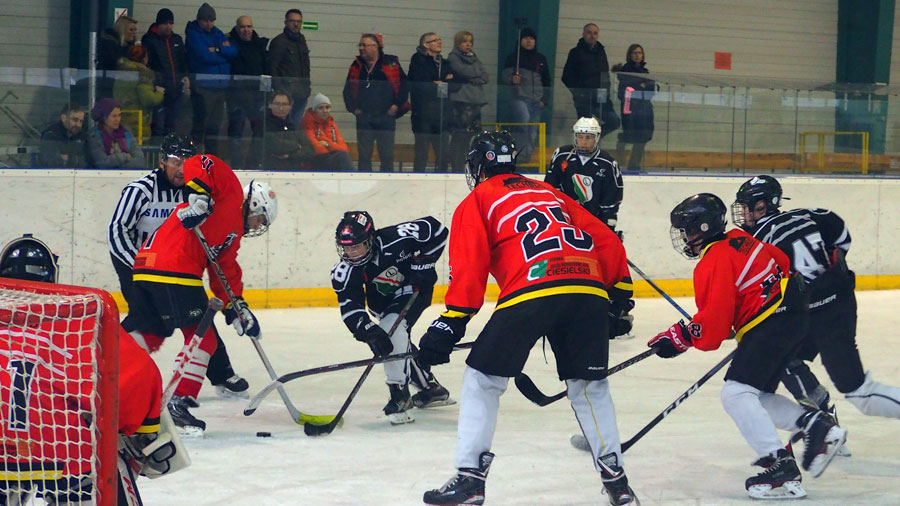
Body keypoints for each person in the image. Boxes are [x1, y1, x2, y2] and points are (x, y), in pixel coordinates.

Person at [418, 131, 639, 506]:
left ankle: (470, 479)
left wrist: (452, 320)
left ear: (477, 166)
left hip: (533, 289)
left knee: (482, 379)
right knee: (589, 388)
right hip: (587, 290)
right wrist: (619, 296)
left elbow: (470, 264)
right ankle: (617, 483)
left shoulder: (479, 198)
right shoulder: (552, 192)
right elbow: (606, 240)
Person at [650, 193, 847, 500]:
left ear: (702, 227)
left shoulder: (712, 261)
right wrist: (745, 314)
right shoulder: (740, 237)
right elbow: (780, 262)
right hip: (793, 313)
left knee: (736, 393)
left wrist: (679, 337)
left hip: (773, 321)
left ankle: (779, 465)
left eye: (688, 229)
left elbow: (713, 328)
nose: (685, 237)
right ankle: (815, 423)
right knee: (758, 396)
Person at [0, 234, 188, 505]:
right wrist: (140, 432)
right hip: (63, 450)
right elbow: (137, 381)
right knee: (109, 457)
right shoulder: (84, 322)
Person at [122, 153, 278, 435]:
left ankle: (111, 381)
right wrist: (199, 197)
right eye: (260, 219)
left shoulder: (231, 234)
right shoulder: (229, 193)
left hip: (148, 267)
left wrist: (237, 309)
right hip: (174, 269)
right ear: (253, 205)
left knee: (150, 333)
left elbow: (224, 271)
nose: (257, 226)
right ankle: (178, 405)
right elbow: (202, 161)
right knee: (204, 341)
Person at [732, 176, 900, 424]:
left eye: (747, 207)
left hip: (810, 316)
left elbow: (762, 292)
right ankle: (823, 421)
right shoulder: (811, 215)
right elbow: (842, 240)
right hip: (836, 306)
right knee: (787, 358)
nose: (743, 213)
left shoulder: (755, 244)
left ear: (762, 206)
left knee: (856, 391)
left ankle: (822, 421)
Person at [108, 133, 250, 403]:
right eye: (175, 161)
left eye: (186, 160)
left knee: (195, 318)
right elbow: (117, 231)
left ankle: (221, 373)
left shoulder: (197, 191)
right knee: (150, 321)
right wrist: (137, 267)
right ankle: (109, 364)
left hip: (171, 267)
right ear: (162, 162)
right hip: (136, 264)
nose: (181, 167)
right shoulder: (140, 190)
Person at [331, 211, 452, 424]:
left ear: (370, 240)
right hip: (381, 305)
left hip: (413, 289)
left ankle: (399, 395)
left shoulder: (396, 238)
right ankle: (430, 388)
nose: (351, 253)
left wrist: (424, 263)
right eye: (347, 248)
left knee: (391, 329)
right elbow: (351, 308)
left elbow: (437, 230)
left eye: (356, 246)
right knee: (393, 339)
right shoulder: (344, 271)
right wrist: (367, 330)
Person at [545, 117, 633, 340]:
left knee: (605, 270)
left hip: (595, 228)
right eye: (581, 137)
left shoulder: (607, 163)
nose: (584, 142)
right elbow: (549, 190)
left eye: (589, 137)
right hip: (566, 227)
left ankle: (617, 311)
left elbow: (612, 201)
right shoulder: (562, 156)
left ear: (597, 139)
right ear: (575, 137)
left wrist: (608, 230)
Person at [343, 33, 409, 172]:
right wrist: (353, 109)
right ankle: (364, 182)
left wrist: (396, 105)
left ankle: (387, 182)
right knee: (364, 155)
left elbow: (404, 86)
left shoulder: (391, 64)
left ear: (375, 47)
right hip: (364, 117)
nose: (361, 48)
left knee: (387, 154)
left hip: (386, 116)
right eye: (360, 45)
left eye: (364, 45)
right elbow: (347, 90)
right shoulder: (356, 66)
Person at [185, 2, 237, 157]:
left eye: (212, 20)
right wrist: (223, 55)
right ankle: (194, 156)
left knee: (215, 125)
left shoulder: (217, 32)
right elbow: (204, 56)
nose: (209, 24)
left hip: (220, 87)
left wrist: (217, 50)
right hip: (203, 86)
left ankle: (211, 158)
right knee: (201, 124)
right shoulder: (193, 34)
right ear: (199, 20)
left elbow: (232, 52)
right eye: (205, 21)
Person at [500, 27, 551, 165]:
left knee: (533, 130)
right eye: (526, 38)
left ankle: (526, 156)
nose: (529, 41)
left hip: (537, 101)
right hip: (519, 99)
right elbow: (504, 77)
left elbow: (547, 81)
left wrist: (544, 100)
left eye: (532, 38)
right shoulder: (513, 58)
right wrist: (512, 80)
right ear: (520, 40)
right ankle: (521, 153)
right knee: (524, 121)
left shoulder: (540, 59)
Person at [561, 23, 619, 140]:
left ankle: (594, 140)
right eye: (589, 32)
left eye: (595, 33)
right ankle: (584, 147)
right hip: (583, 98)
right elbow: (566, 76)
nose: (592, 36)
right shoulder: (575, 52)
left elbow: (605, 75)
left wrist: (606, 93)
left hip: (600, 97)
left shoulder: (601, 52)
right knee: (585, 127)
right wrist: (579, 92)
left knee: (614, 121)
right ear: (583, 34)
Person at [142, 7, 191, 139]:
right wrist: (155, 85)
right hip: (159, 91)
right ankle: (157, 155)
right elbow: (148, 64)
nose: (168, 26)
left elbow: (183, 61)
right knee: (159, 125)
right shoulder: (149, 40)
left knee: (172, 126)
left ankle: (169, 156)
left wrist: (185, 76)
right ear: (158, 24)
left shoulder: (177, 40)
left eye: (170, 23)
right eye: (165, 23)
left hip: (175, 90)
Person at [408, 32, 454, 172]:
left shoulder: (445, 63)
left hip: (441, 114)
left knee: (443, 154)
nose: (439, 42)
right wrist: (437, 83)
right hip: (422, 114)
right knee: (422, 153)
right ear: (425, 44)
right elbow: (419, 82)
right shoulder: (418, 60)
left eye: (440, 39)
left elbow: (453, 83)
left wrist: (436, 82)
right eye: (435, 40)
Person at [227, 15, 268, 169]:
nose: (246, 30)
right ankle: (236, 165)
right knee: (235, 133)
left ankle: (253, 164)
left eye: (249, 26)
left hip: (256, 97)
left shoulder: (259, 45)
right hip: (236, 97)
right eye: (243, 27)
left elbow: (266, 70)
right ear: (237, 28)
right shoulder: (230, 44)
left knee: (259, 133)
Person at [447, 31, 489, 173]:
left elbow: (485, 75)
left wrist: (474, 76)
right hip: (462, 101)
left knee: (470, 136)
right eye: (465, 41)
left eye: (470, 41)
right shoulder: (453, 57)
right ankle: (455, 166)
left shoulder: (474, 57)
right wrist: (475, 75)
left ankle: (465, 164)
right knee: (460, 135)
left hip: (475, 101)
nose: (468, 44)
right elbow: (462, 71)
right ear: (458, 43)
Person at [613, 44, 655, 171]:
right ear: (630, 55)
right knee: (631, 134)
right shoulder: (625, 71)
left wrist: (641, 86)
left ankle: (634, 164)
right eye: (635, 53)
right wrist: (640, 85)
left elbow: (651, 89)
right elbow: (624, 91)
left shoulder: (645, 72)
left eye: (640, 53)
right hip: (630, 109)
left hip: (645, 108)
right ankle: (620, 161)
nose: (637, 55)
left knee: (645, 135)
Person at [267, 8, 312, 125]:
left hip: (302, 93)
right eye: (292, 21)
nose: (296, 24)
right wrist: (279, 91)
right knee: (282, 125)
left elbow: (306, 66)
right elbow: (272, 67)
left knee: (295, 125)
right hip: (286, 95)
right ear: (286, 22)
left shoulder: (301, 40)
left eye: (299, 21)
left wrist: (307, 87)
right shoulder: (279, 42)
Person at [113, 45, 165, 143]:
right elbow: (148, 100)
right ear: (145, 59)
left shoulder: (121, 73)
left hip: (122, 118)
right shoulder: (143, 75)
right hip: (138, 122)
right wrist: (159, 93)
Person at [300, 93, 353, 171]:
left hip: (332, 159)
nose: (325, 111)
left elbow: (344, 149)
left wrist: (328, 144)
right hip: (314, 162)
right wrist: (333, 149)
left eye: (327, 107)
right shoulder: (308, 123)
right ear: (314, 110)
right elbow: (314, 148)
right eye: (320, 108)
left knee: (343, 156)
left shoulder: (332, 125)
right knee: (342, 157)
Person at [87, 98, 145, 168]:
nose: (117, 119)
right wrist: (125, 156)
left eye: (119, 115)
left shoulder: (126, 133)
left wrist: (117, 166)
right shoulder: (94, 135)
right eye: (114, 116)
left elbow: (140, 161)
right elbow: (102, 162)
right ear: (104, 117)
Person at [264, 91, 315, 170]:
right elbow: (274, 145)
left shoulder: (294, 126)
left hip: (293, 171)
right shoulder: (263, 123)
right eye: (277, 104)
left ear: (290, 106)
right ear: (270, 105)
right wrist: (297, 146)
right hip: (268, 170)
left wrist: (290, 156)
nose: (281, 108)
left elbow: (310, 151)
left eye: (284, 104)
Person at [97, 16, 138, 99]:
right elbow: (115, 63)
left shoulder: (129, 46)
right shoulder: (109, 44)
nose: (134, 33)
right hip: (108, 85)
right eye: (131, 30)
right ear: (122, 30)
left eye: (135, 30)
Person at [39, 103, 87, 168]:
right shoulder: (51, 134)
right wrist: (76, 159)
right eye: (75, 120)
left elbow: (87, 161)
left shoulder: (82, 136)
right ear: (64, 118)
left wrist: (68, 158)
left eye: (81, 121)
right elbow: (50, 162)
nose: (78, 125)